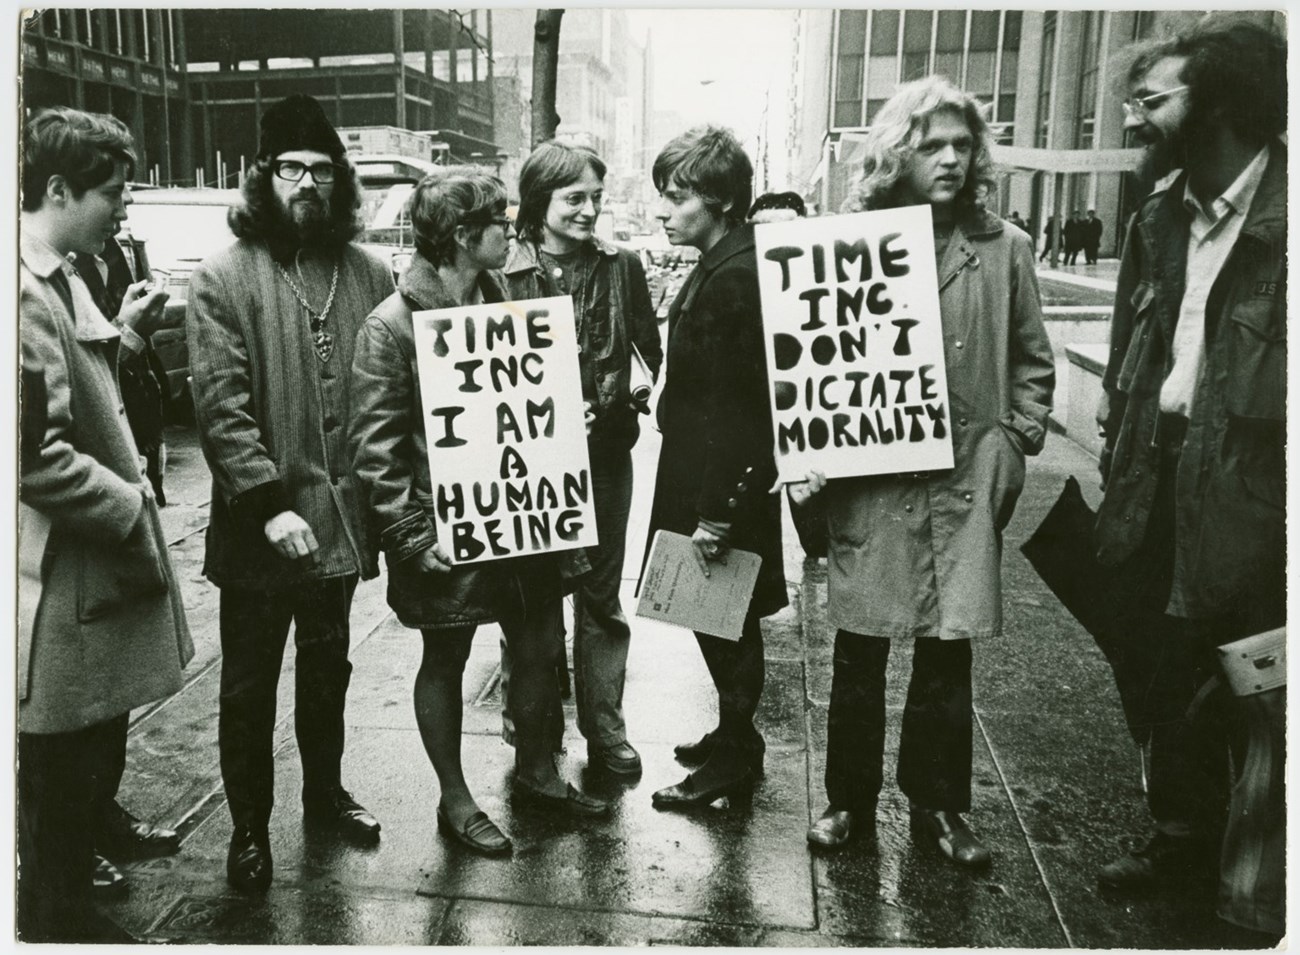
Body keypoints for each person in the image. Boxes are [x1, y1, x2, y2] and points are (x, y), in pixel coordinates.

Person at [796, 76, 1055, 866]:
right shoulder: (849, 243)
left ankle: (940, 806)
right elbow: (806, 361)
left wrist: (1014, 438)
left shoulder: (1005, 247)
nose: (949, 158)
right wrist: (809, 445)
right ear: (897, 154)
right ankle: (848, 801)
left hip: (964, 482)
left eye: (962, 144)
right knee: (859, 650)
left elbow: (1032, 362)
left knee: (948, 653)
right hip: (869, 484)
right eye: (930, 144)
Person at [350, 168, 609, 857]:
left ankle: (536, 772)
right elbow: (375, 448)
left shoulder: (514, 303)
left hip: (520, 520)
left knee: (536, 647)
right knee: (446, 654)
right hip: (449, 529)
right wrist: (411, 532)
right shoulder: (391, 326)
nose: (512, 230)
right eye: (499, 220)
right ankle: (455, 796)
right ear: (464, 237)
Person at [1093, 19, 1285, 898]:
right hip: (1156, 471)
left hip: (1253, 493)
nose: (1134, 117)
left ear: (1221, 104)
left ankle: (1250, 857)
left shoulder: (1284, 222)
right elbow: (1138, 348)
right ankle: (1177, 835)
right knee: (1161, 659)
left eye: (1154, 98)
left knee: (1244, 673)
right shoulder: (1161, 215)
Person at [186, 94, 394, 893]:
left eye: (321, 169)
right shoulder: (222, 277)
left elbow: (391, 391)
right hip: (260, 526)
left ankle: (324, 791)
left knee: (327, 666)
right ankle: (248, 827)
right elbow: (221, 409)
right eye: (291, 168)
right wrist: (270, 505)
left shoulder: (369, 272)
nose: (307, 183)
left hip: (339, 524)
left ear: (341, 181)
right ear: (263, 178)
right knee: (247, 685)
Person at [19, 107, 194, 942]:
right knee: (63, 765)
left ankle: (67, 899)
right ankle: (56, 922)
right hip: (66, 566)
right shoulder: (24, 289)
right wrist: (129, 508)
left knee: (89, 743)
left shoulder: (60, 273)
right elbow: (32, 454)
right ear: (58, 188)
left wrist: (122, 339)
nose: (122, 209)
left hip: (87, 566)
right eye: (111, 193)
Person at [500, 141, 663, 777]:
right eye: (575, 199)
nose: (590, 211)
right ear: (539, 203)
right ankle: (531, 726)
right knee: (528, 598)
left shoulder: (622, 267)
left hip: (605, 460)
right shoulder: (505, 273)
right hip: (529, 466)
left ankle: (605, 730)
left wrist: (636, 390)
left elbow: (649, 351)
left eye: (596, 198)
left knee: (600, 596)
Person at [644, 126, 787, 810]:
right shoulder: (722, 259)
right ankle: (736, 737)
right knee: (717, 613)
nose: (664, 211)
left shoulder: (736, 273)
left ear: (723, 199)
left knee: (727, 616)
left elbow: (737, 406)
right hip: (706, 470)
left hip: (719, 479)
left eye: (677, 197)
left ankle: (735, 756)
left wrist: (714, 511)